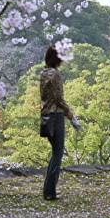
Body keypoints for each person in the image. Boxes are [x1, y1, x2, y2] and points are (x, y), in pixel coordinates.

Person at [39, 46, 81, 200]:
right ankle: (49, 191)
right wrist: (71, 116)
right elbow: (58, 98)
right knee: (57, 154)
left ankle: (49, 190)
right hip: (56, 116)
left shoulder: (43, 73)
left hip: (45, 116)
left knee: (55, 153)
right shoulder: (55, 74)